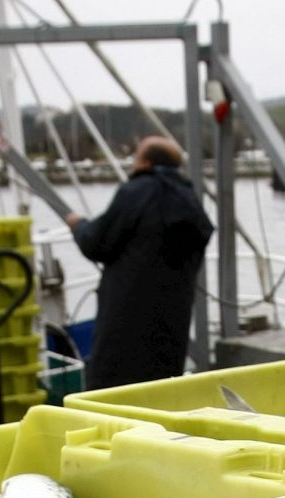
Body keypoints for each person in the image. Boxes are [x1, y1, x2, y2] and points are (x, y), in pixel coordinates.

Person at [64, 136, 214, 390]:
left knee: (111, 392)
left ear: (144, 163)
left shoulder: (137, 191)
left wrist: (78, 225)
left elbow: (95, 243)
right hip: (172, 324)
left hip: (124, 324)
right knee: (160, 391)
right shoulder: (190, 200)